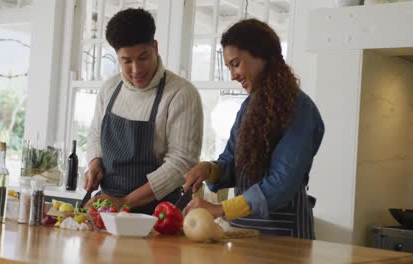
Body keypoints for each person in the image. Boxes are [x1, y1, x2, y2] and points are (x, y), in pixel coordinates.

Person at [183, 19, 324, 239]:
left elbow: (281, 185)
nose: (233, 75)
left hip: (286, 237)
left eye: (236, 63)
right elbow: (231, 162)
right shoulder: (248, 107)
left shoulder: (300, 109)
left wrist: (221, 209)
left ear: (262, 56)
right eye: (228, 67)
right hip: (243, 233)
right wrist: (209, 168)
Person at [85, 8, 203, 214]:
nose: (136, 70)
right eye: (127, 61)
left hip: (160, 212)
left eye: (143, 57)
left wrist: (126, 202)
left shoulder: (181, 93)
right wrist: (95, 161)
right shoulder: (109, 89)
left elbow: (181, 163)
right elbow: (96, 134)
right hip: (108, 207)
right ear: (117, 57)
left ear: (155, 47)